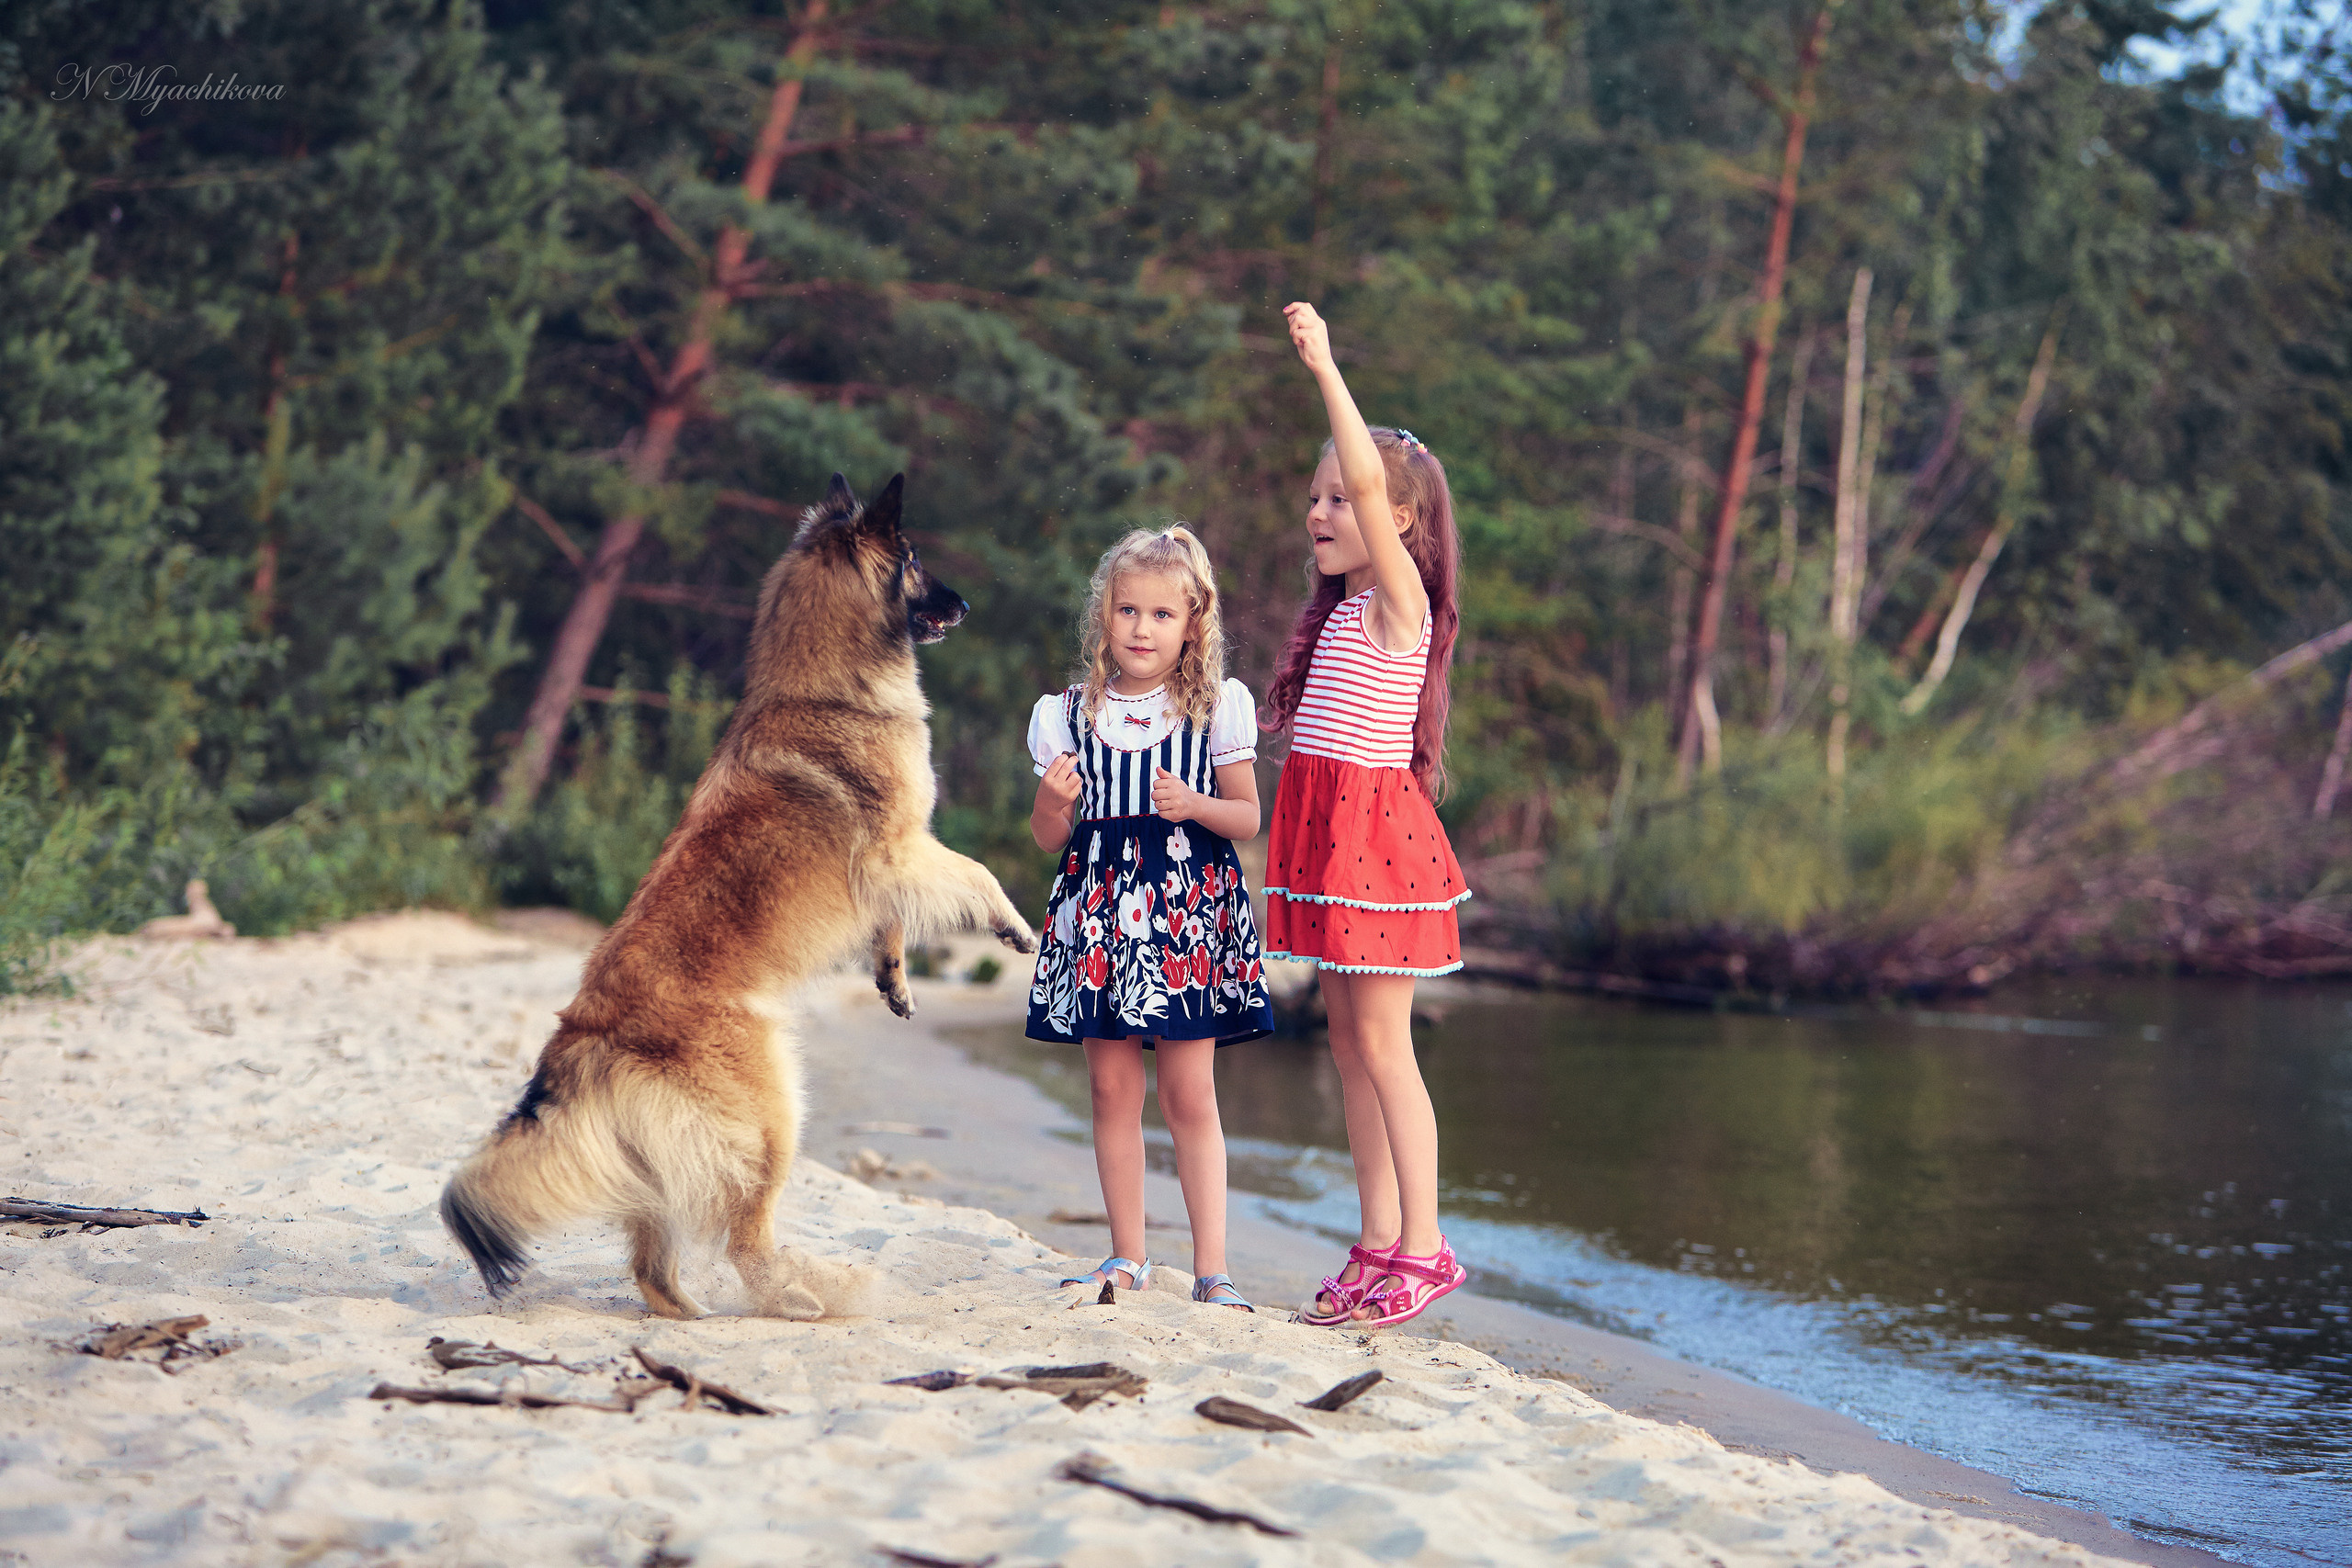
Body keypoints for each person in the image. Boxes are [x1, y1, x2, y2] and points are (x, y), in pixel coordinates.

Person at [1264, 300, 1470, 1329]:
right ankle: (1380, 1239)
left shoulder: (1400, 604)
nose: (1322, 512)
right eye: (1315, 498)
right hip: (1327, 836)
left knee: (1385, 1046)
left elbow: (1369, 466)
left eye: (1343, 498)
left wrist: (1327, 370)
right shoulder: (1340, 612)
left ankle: (1426, 1250)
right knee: (1347, 1042)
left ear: (1398, 523)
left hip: (1376, 849)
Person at [1024, 525, 1274, 1311]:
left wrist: (1196, 804)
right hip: (1098, 920)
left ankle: (1213, 1269)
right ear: (1105, 617)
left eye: (1162, 614)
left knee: (1190, 1091)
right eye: (1127, 609)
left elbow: (1247, 817)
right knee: (1110, 1087)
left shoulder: (1214, 708)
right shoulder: (1069, 714)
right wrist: (1050, 803)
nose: (1141, 627)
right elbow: (1049, 840)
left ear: (1193, 624)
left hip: (1185, 918)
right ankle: (1128, 1254)